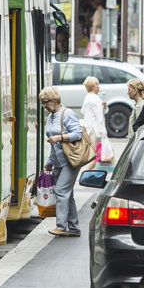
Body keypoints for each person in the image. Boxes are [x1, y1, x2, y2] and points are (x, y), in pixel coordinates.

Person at [40, 86, 82, 237]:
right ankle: (74, 228)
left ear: (54, 100)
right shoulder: (50, 117)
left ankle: (61, 226)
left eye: (45, 102)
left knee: (61, 191)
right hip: (58, 161)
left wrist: (60, 137)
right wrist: (50, 160)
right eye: (42, 103)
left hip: (70, 160)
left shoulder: (67, 113)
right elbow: (52, 142)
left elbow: (78, 134)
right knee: (67, 195)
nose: (43, 105)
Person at [80, 76, 108, 170]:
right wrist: (103, 132)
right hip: (96, 131)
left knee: (95, 154)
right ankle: (86, 172)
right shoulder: (95, 99)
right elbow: (99, 116)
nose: (99, 87)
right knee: (98, 154)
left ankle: (91, 173)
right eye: (97, 84)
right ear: (93, 86)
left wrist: (103, 106)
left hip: (90, 129)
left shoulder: (88, 97)